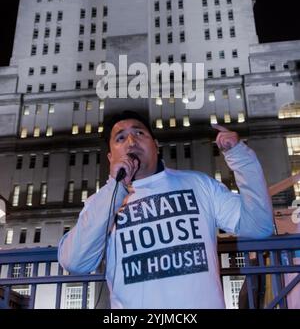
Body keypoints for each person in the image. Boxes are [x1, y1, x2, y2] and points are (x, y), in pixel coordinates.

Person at [58, 110, 274, 309]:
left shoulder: (199, 185)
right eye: (120, 138)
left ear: (156, 145)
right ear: (110, 157)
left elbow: (258, 226)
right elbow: (75, 262)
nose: (131, 141)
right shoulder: (103, 201)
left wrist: (241, 158)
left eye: (139, 133)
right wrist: (115, 187)